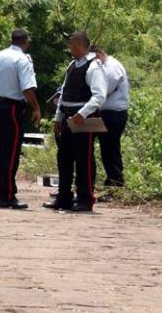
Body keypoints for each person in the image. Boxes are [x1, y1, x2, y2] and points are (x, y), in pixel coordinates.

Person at [44, 32, 107, 212]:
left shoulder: (94, 66)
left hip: (83, 120)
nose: (69, 47)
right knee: (64, 158)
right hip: (67, 117)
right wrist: (58, 117)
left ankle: (85, 199)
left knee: (83, 159)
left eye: (71, 44)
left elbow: (99, 96)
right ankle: (63, 197)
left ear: (79, 44)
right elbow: (63, 93)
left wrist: (82, 113)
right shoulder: (72, 65)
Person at [0, 29, 41, 209]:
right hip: (11, 108)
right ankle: (8, 195)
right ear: (26, 42)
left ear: (11, 40)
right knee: (11, 153)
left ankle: (0, 193)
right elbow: (27, 88)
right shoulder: (22, 60)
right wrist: (36, 108)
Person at [92, 46, 130, 195]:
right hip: (106, 113)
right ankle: (111, 183)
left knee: (111, 150)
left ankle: (116, 184)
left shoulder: (112, 67)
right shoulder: (105, 66)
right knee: (106, 149)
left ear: (98, 55)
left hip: (114, 114)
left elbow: (103, 91)